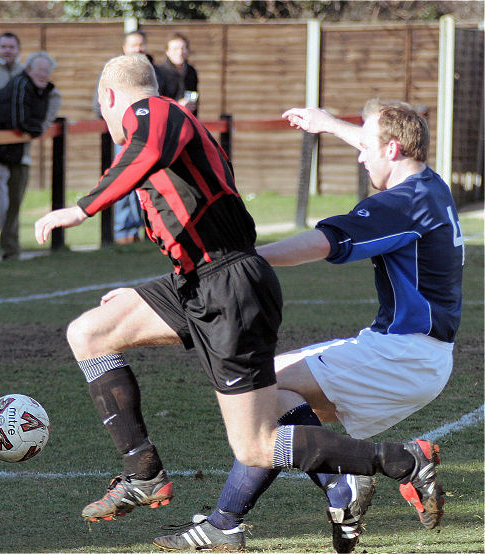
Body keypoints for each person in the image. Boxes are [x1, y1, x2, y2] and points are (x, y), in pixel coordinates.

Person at [34, 55, 445, 551]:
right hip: (198, 279)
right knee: (91, 332)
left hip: (228, 284)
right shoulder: (161, 126)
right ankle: (142, 472)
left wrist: (81, 208)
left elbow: (144, 152)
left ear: (109, 98)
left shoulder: (157, 113)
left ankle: (400, 461)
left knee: (255, 442)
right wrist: (149, 291)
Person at [152, 100, 463, 553]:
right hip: (409, 351)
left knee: (260, 396)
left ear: (393, 149)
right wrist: (328, 125)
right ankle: (232, 520)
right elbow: (373, 142)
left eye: (367, 145)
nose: (361, 155)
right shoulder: (428, 183)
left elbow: (323, 243)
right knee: (271, 392)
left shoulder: (402, 203)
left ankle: (345, 482)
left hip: (406, 355)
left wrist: (241, 261)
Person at [0, 32, 61, 261]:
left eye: (12, 47)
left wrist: (45, 122)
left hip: (18, 152)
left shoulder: (31, 77)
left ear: (18, 50)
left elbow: (53, 97)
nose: (7, 50)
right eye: (3, 46)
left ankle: (9, 250)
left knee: (9, 205)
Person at [91, 30, 158, 245]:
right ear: (124, 48)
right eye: (133, 45)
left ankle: (148, 231)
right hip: (125, 137)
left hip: (151, 136)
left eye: (141, 45)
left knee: (149, 183)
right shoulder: (113, 73)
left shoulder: (154, 71)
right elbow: (98, 104)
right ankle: (123, 233)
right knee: (124, 181)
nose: (138, 49)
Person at [155, 32, 198, 116]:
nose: (180, 53)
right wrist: (177, 105)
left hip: (188, 119)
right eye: (175, 49)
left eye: (183, 48)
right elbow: (157, 102)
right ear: (167, 52)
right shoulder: (159, 72)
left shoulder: (191, 71)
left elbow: (194, 96)